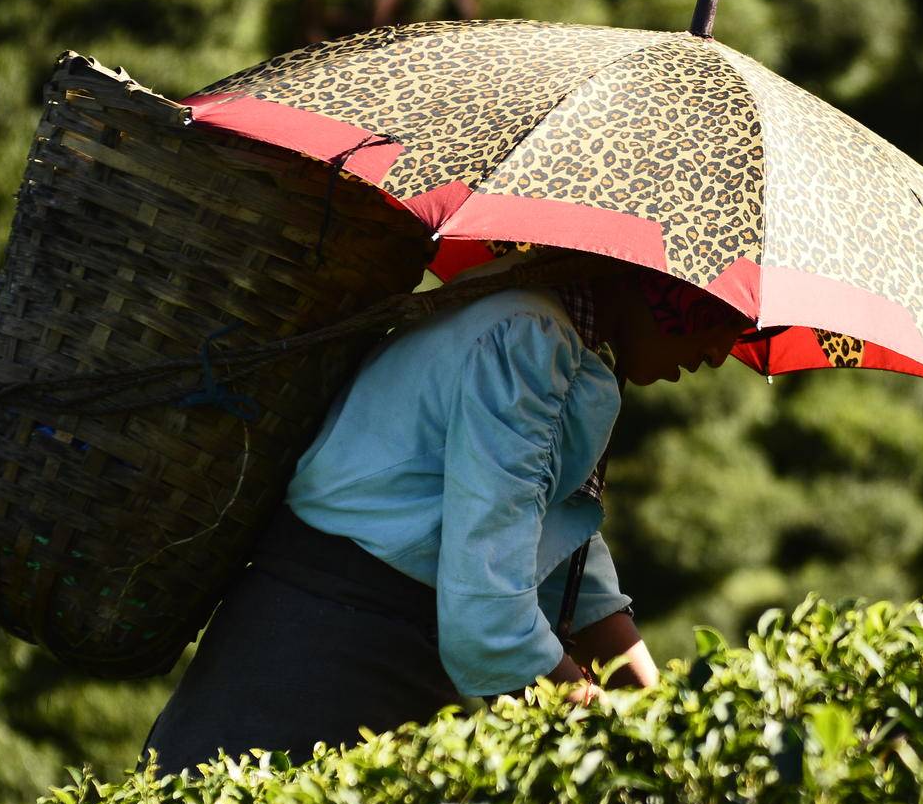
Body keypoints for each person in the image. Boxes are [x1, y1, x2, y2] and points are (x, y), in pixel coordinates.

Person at [138, 251, 755, 776]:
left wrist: (660, 715)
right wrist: (615, 730)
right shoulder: (524, 339)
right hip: (329, 650)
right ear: (661, 281)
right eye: (716, 316)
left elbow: (558, 546)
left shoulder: (543, 324)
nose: (718, 351)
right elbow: (491, 609)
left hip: (355, 637)